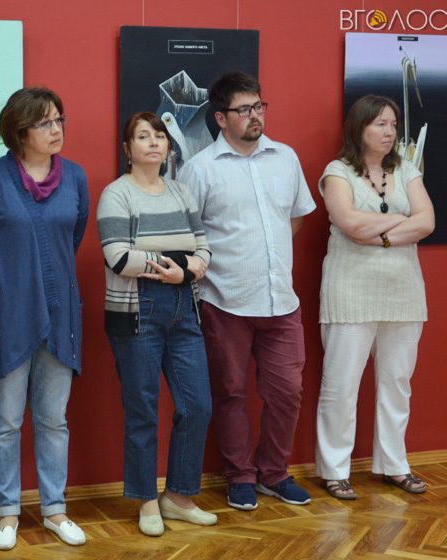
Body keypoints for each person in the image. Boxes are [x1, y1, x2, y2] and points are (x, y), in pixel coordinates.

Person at [177, 71, 316, 511]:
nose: (255, 116)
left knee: (287, 392)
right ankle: (240, 476)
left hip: (281, 302)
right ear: (220, 118)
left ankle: (274, 473)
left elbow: (296, 216)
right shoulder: (199, 169)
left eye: (259, 106)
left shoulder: (286, 158)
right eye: (244, 110)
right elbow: (187, 233)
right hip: (225, 302)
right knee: (230, 393)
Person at [0, 87, 89, 551]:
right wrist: (9, 285)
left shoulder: (75, 177)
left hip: (59, 314)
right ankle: (7, 513)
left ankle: (55, 509)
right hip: (6, 317)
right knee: (6, 421)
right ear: (19, 132)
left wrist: (43, 281)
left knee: (54, 420)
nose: (55, 130)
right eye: (44, 123)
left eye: (59, 120)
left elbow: (72, 236)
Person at [97, 112, 215, 537]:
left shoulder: (181, 192)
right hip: (136, 311)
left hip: (185, 308)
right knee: (143, 410)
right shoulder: (117, 195)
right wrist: (178, 267)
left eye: (159, 136)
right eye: (143, 136)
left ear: (168, 146)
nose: (153, 143)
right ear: (127, 149)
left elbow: (204, 249)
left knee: (198, 406)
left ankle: (178, 497)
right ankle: (147, 499)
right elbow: (118, 257)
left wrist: (185, 271)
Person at [315, 95, 434, 500]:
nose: (390, 132)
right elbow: (347, 222)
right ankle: (335, 470)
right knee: (341, 386)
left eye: (394, 124)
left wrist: (378, 234)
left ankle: (394, 465)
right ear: (359, 128)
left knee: (397, 383)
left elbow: (427, 221)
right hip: (349, 291)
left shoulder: (406, 170)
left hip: (404, 292)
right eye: (380, 124)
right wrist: (402, 221)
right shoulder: (337, 172)